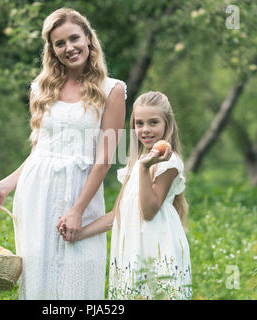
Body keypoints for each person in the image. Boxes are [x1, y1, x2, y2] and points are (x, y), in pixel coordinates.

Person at [0, 8, 126, 299]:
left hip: (80, 194)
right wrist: (3, 186)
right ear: (52, 50)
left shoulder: (113, 91)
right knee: (38, 280)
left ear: (89, 39)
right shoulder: (41, 89)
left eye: (74, 38)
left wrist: (78, 210)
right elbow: (38, 153)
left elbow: (105, 159)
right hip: (37, 195)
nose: (69, 48)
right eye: (60, 43)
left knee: (79, 277)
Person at [62, 91, 192, 300]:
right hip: (132, 250)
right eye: (139, 123)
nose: (146, 129)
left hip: (156, 248)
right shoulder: (138, 162)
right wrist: (80, 234)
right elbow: (116, 215)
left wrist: (144, 167)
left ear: (167, 125)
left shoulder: (168, 163)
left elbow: (149, 212)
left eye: (153, 122)